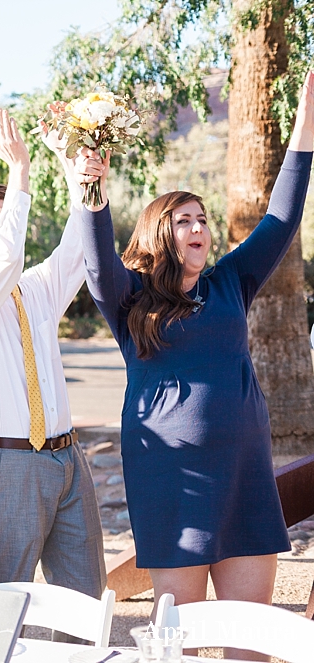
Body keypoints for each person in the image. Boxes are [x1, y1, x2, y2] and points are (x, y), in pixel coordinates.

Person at [75, 71, 314, 661]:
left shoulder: (232, 280)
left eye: (203, 218)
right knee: (179, 645)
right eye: (185, 220)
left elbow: (281, 218)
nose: (201, 228)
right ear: (162, 233)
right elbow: (99, 260)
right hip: (172, 481)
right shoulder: (129, 298)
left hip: (245, 475)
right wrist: (91, 192)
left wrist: (306, 126)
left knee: (251, 644)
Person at [0, 109, 107, 609]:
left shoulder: (35, 288)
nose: (17, 224)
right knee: (7, 602)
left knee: (85, 598)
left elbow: (79, 248)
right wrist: (19, 171)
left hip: (69, 458)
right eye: (4, 216)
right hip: (10, 462)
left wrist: (74, 173)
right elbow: (7, 255)